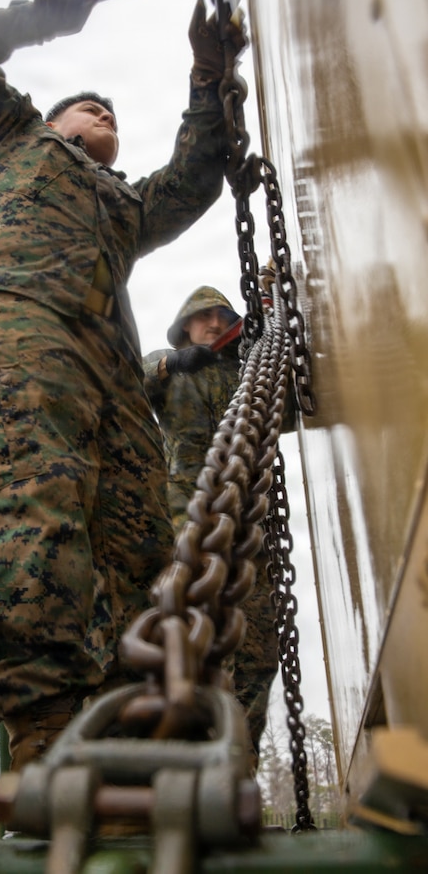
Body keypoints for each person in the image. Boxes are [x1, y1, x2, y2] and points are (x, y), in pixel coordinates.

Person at [0, 0, 244, 769]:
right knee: (39, 521)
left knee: (144, 553)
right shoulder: (13, 136)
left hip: (111, 373)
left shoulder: (127, 206)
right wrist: (40, 21)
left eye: (112, 113)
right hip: (19, 330)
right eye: (88, 108)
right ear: (55, 119)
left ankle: (132, 740)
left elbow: (196, 175)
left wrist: (207, 76)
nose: (102, 115)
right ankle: (43, 737)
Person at [142, 285, 279, 767]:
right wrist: (171, 362)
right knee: (184, 642)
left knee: (259, 651)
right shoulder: (169, 368)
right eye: (204, 318)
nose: (216, 324)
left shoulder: (249, 375)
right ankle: (174, 767)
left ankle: (237, 769)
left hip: (249, 534)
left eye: (223, 317)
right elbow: (129, 377)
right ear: (185, 327)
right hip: (187, 525)